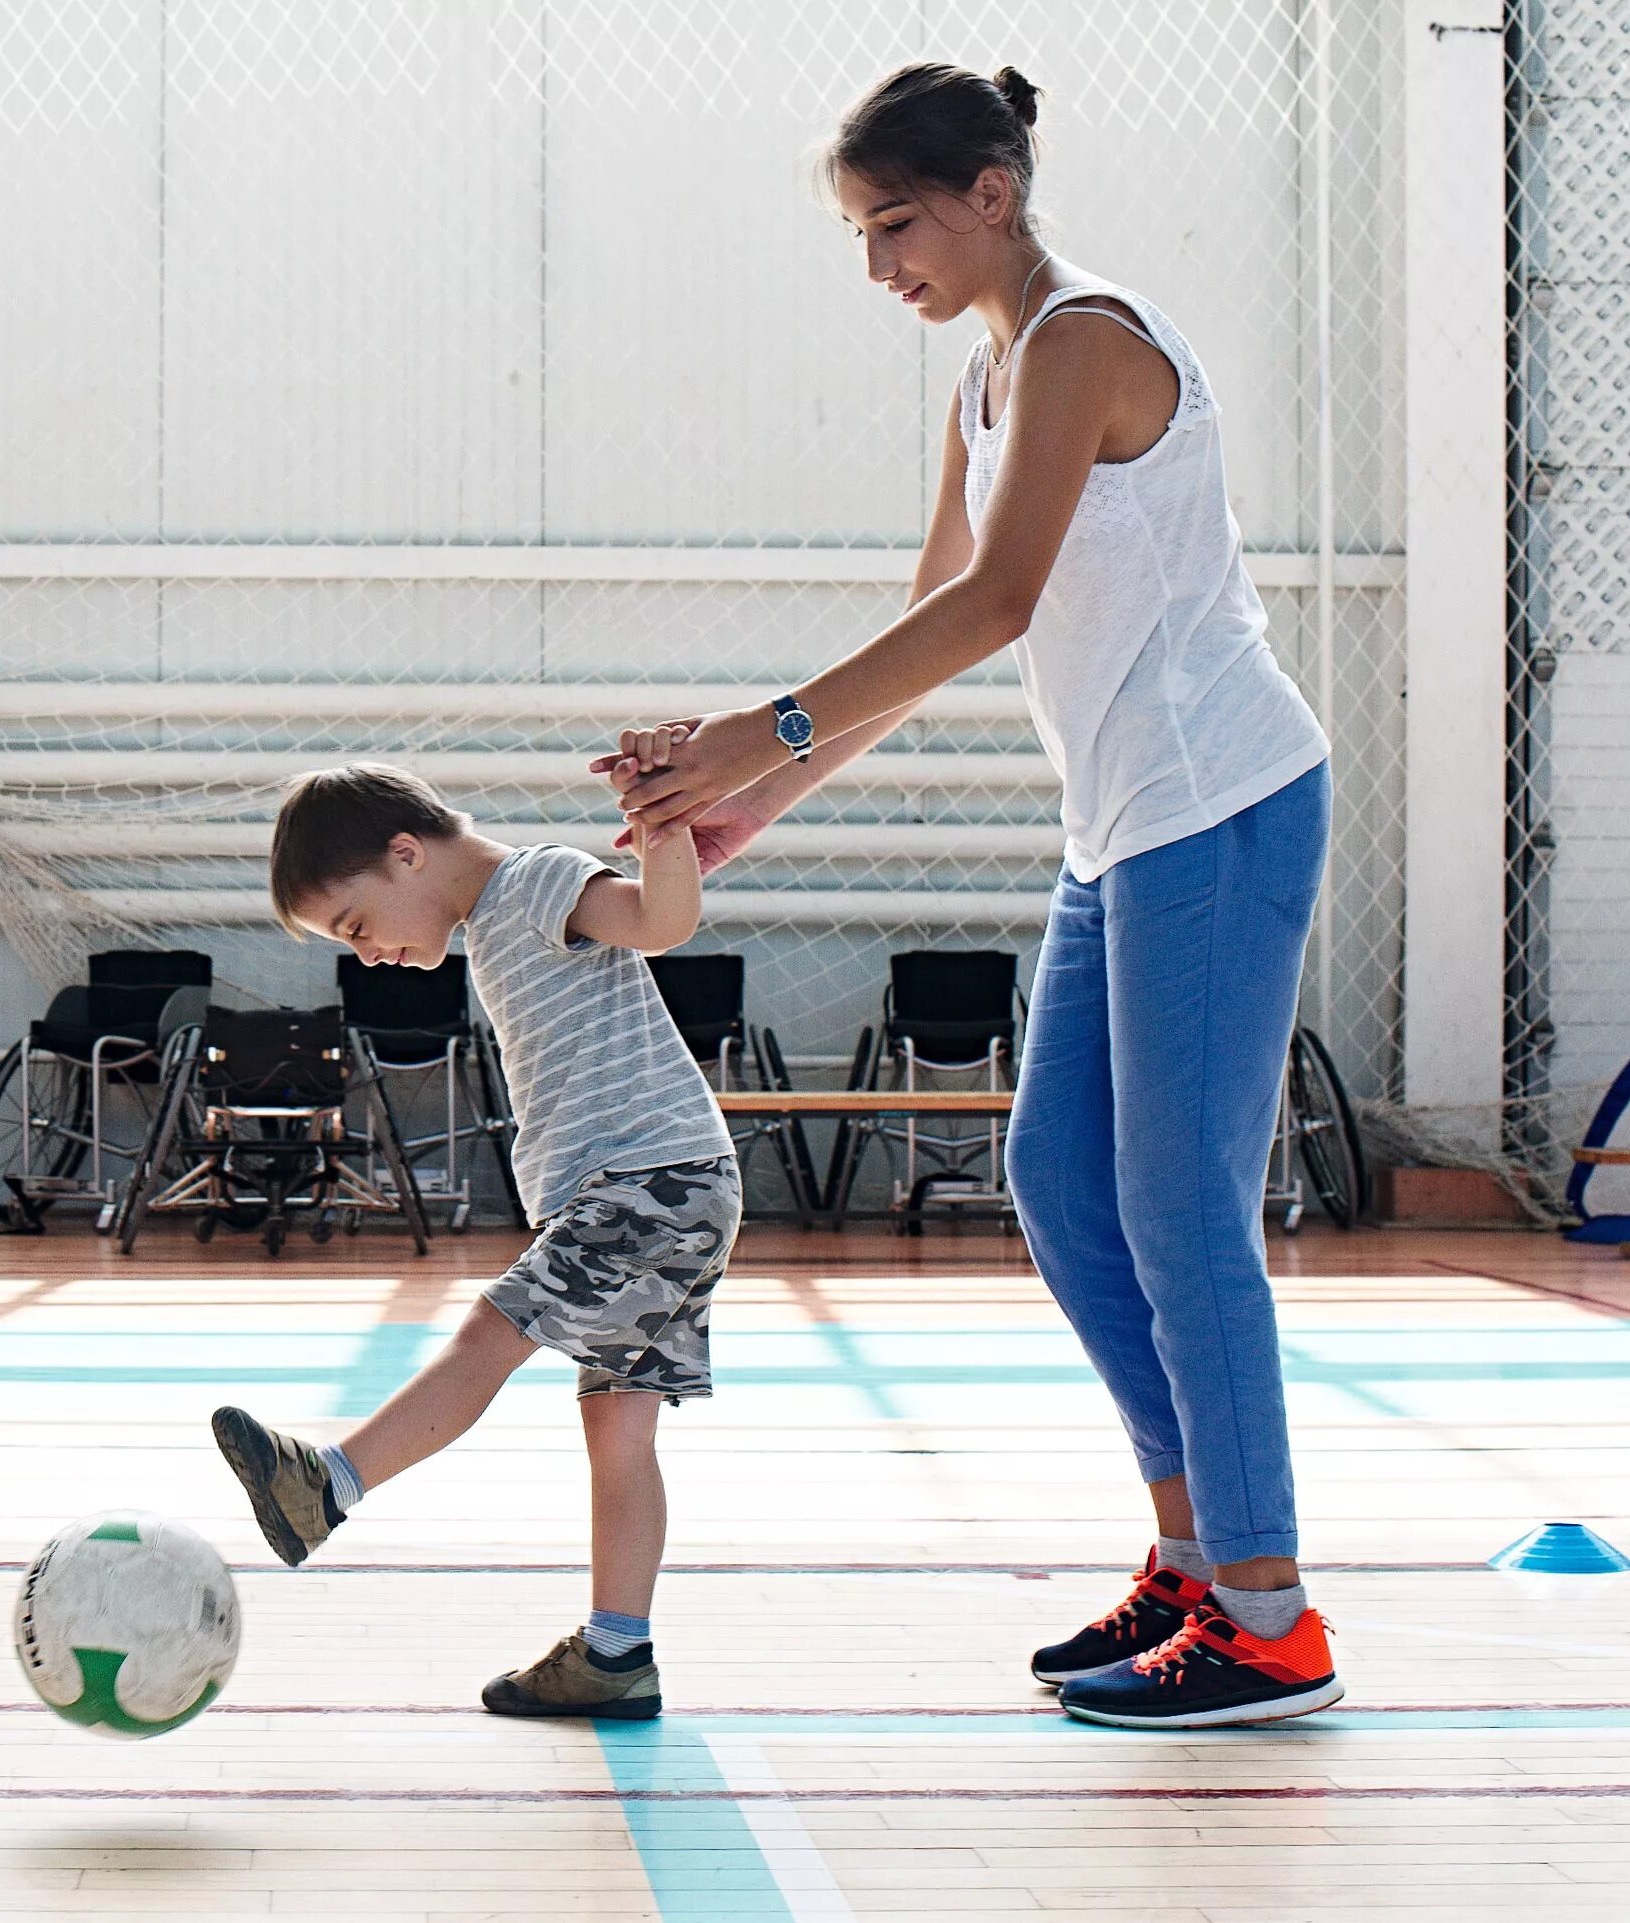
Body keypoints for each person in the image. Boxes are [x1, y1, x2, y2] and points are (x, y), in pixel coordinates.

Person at [598, 64, 1343, 1728]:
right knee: (1060, 1182)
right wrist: (750, 803)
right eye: (861, 236)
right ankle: (1190, 1559)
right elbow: (934, 611)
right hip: (1120, 828)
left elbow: (1001, 602)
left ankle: (1269, 1612)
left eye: (892, 226)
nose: (878, 270)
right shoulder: (988, 389)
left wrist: (750, 724)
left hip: (1217, 809)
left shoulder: (1083, 340)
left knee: (1174, 1203)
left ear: (987, 194)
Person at [211, 764, 739, 1721]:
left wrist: (662, 815)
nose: (368, 956)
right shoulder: (499, 917)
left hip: (650, 1184)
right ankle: (616, 1651)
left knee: (487, 1335)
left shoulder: (532, 883)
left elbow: (662, 925)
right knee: (617, 1427)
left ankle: (325, 1485)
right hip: (668, 1185)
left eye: (359, 926)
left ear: (404, 854)